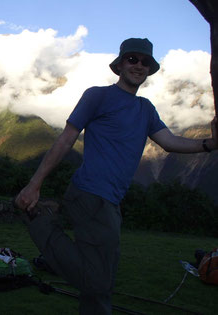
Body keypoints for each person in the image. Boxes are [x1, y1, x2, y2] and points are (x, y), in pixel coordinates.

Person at [15, 38, 218, 314]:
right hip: (90, 194)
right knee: (97, 283)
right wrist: (34, 184)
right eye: (133, 59)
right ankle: (40, 222)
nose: (139, 66)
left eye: (145, 62)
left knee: (102, 280)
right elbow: (65, 140)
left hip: (111, 202)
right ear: (120, 64)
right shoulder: (97, 96)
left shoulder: (145, 109)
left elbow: (170, 142)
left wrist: (209, 144)